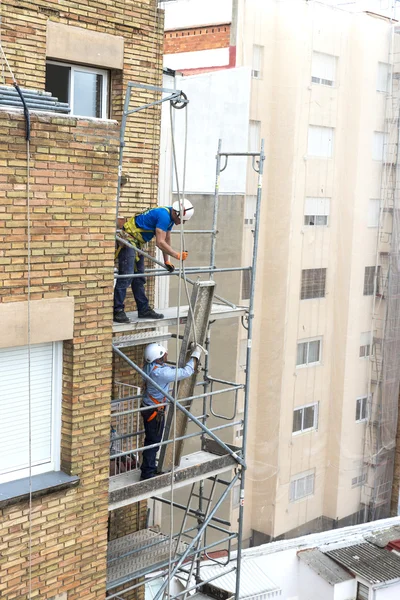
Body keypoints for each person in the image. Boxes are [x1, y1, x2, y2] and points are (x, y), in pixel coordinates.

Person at [114, 199, 194, 323]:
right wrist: (176, 255)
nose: (181, 223)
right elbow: (159, 242)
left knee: (139, 278)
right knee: (126, 276)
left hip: (137, 243)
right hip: (128, 240)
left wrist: (167, 260)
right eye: (182, 220)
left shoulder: (169, 216)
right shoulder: (164, 216)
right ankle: (117, 311)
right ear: (177, 213)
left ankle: (143, 309)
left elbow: (166, 239)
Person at [140, 341, 203, 480]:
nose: (167, 354)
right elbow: (186, 372)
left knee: (151, 439)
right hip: (155, 411)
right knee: (153, 441)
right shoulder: (161, 373)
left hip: (148, 407)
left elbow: (168, 370)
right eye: (164, 353)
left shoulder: (149, 367)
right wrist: (196, 355)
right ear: (160, 357)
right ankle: (147, 472)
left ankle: (147, 468)